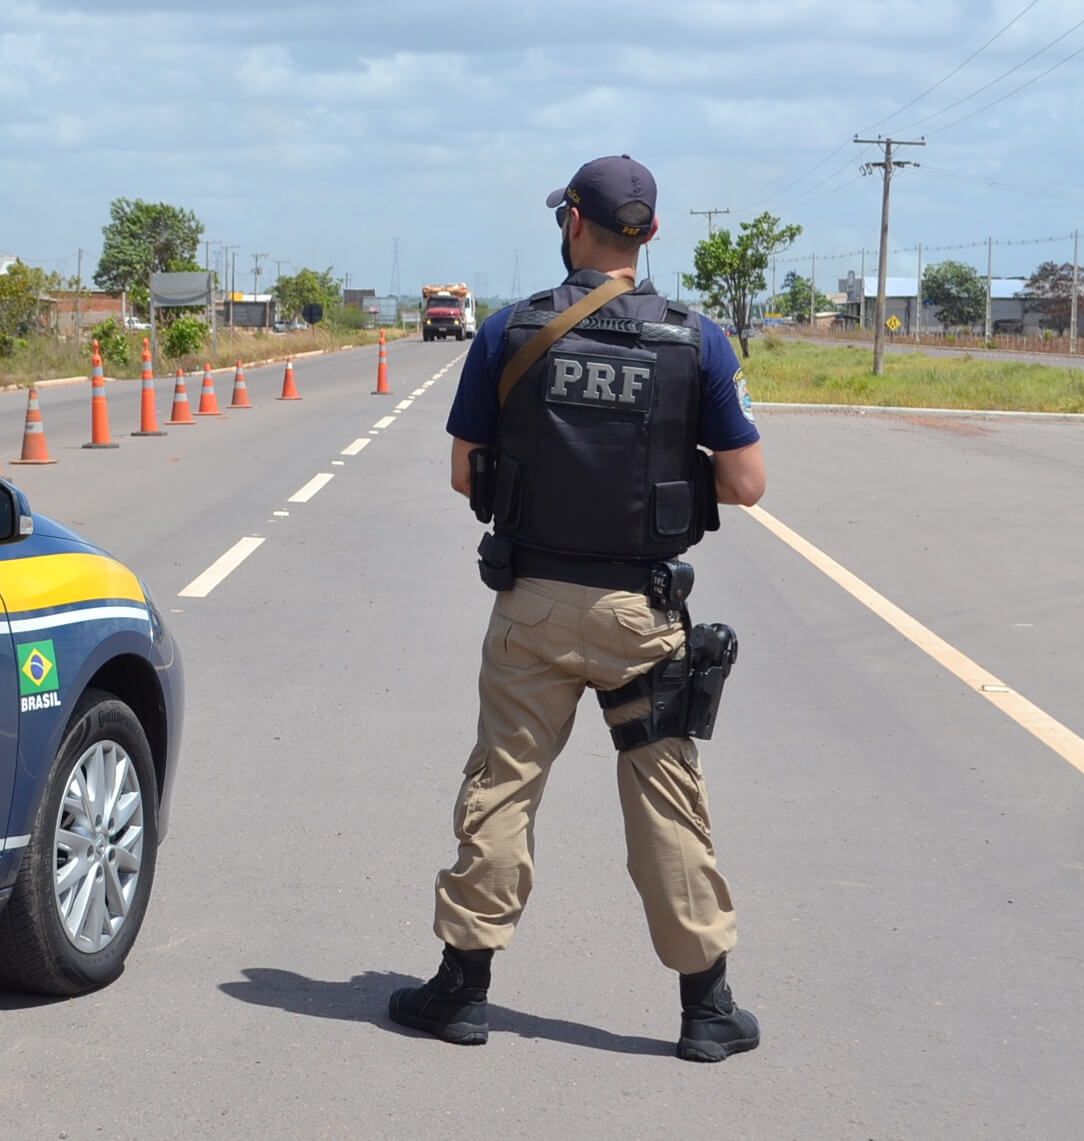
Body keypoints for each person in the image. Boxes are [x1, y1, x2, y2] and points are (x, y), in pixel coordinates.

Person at [388, 154, 769, 1063]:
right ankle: (705, 1008)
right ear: (651, 233)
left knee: (502, 786)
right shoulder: (697, 340)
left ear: (571, 224)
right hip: (642, 610)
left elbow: (460, 471)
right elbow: (747, 483)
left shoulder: (506, 330)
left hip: (532, 604)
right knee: (664, 795)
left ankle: (463, 992)